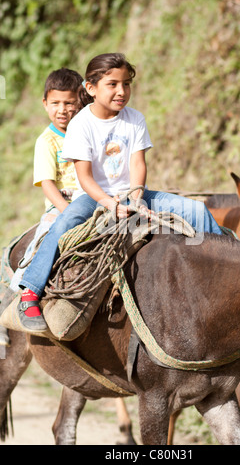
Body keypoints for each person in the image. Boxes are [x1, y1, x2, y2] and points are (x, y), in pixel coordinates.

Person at [17, 53, 222, 333]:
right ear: (90, 88)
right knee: (63, 224)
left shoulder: (134, 119)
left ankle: (223, 269)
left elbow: (138, 163)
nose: (121, 91)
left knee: (197, 211)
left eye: (126, 84)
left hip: (134, 193)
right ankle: (30, 291)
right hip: (93, 197)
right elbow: (84, 177)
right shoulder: (80, 125)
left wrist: (136, 200)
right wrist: (109, 204)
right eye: (112, 84)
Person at [0, 67, 84, 342]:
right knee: (44, 237)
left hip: (94, 200)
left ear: (80, 101)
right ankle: (24, 291)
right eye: (56, 103)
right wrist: (66, 211)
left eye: (69, 102)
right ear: (45, 103)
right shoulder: (47, 141)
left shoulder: (86, 132)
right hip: (62, 204)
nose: (63, 109)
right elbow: (48, 183)